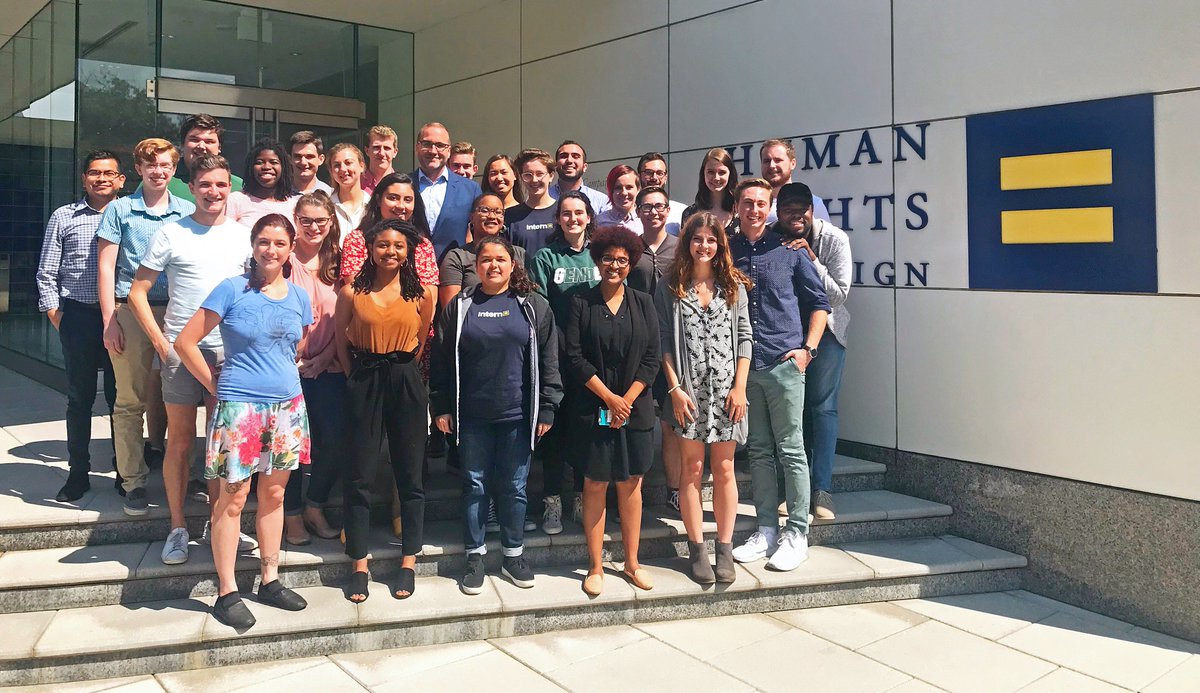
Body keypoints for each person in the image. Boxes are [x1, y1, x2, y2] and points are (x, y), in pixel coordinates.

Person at [174, 213, 312, 629]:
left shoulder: (299, 296)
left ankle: (270, 578)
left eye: (280, 243)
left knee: (274, 497)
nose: (271, 250)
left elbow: (298, 344)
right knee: (232, 499)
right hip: (241, 409)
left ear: (291, 249)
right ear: (253, 246)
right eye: (264, 242)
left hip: (286, 407)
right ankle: (227, 590)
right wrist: (213, 386)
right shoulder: (232, 289)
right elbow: (185, 341)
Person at [128, 154, 254, 566]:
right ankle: (178, 528)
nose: (213, 192)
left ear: (229, 188)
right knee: (179, 443)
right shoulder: (171, 232)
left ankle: (224, 525)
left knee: (223, 447)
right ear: (192, 187)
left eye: (221, 185)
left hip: (229, 354)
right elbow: (137, 292)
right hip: (182, 351)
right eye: (205, 185)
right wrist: (162, 345)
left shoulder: (242, 235)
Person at [431, 235, 562, 594]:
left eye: (500, 259)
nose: (493, 266)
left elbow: (549, 360)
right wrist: (441, 405)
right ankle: (474, 556)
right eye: (485, 259)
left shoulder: (533, 305)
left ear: (512, 264)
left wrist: (547, 406)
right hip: (471, 415)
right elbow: (441, 359)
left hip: (518, 415)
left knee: (515, 487)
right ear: (476, 266)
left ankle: (513, 555)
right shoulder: (459, 306)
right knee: (474, 486)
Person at [728, 179, 830, 572]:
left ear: (767, 207)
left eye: (760, 203)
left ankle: (797, 532)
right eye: (747, 203)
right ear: (736, 207)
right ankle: (766, 527)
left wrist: (808, 351)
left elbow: (819, 303)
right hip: (745, 367)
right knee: (758, 451)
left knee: (791, 449)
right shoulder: (728, 251)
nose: (754, 209)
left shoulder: (790, 251)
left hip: (784, 364)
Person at [336, 219, 436, 603]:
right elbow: (340, 341)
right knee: (359, 472)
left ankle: (408, 560)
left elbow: (421, 339)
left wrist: (403, 372)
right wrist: (354, 378)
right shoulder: (351, 292)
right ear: (370, 249)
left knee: (410, 472)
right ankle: (359, 563)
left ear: (408, 251)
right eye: (382, 245)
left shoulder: (422, 293)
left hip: (405, 380)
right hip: (365, 377)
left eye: (398, 246)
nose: (390, 252)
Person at [339, 172, 440, 538]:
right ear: (378, 199)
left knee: (408, 447)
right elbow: (353, 299)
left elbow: (426, 308)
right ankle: (357, 523)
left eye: (408, 199)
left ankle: (401, 510)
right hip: (366, 352)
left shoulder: (423, 245)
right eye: (393, 197)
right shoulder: (356, 240)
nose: (400, 205)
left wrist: (411, 360)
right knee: (363, 449)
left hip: (407, 354)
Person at [654, 212, 752, 584]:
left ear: (720, 244)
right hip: (689, 395)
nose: (704, 246)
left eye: (711, 240)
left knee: (724, 469)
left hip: (727, 394)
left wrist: (740, 387)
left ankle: (724, 548)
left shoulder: (733, 287)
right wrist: (675, 389)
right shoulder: (671, 287)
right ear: (687, 243)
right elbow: (664, 340)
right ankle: (697, 548)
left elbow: (745, 339)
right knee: (691, 471)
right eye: (698, 239)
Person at [97, 138, 193, 514]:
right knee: (129, 400)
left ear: (174, 169)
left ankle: (188, 473)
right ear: (138, 169)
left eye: (166, 165)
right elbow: (105, 267)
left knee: (186, 395)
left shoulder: (186, 211)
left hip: (177, 310)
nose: (159, 171)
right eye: (151, 165)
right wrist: (109, 320)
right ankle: (133, 480)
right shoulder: (120, 210)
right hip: (129, 310)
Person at [564, 225, 660, 596]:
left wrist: (628, 399)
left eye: (622, 260)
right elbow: (574, 356)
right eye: (608, 258)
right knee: (595, 483)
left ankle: (633, 563)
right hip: (594, 407)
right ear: (597, 259)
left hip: (634, 408)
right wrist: (609, 398)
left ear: (631, 263)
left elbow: (652, 357)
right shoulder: (580, 303)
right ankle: (595, 565)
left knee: (631, 482)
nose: (615, 265)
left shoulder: (643, 302)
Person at [35, 150, 122, 503]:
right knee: (79, 399)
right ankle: (78, 473)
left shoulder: (129, 213)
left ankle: (125, 472)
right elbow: (46, 272)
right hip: (79, 317)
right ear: (84, 178)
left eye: (108, 173)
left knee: (123, 401)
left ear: (120, 180)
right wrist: (58, 317)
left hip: (120, 317)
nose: (101, 179)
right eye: (94, 173)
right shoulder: (64, 216)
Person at [774, 183, 852, 521]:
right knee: (791, 412)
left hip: (828, 334)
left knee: (822, 409)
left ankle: (822, 490)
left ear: (812, 210)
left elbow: (838, 296)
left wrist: (811, 259)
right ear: (779, 212)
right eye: (788, 209)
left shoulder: (835, 239)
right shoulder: (771, 236)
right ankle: (794, 489)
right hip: (785, 334)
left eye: (802, 208)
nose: (796, 215)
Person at [528, 191, 601, 533]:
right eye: (566, 213)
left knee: (587, 427)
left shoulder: (600, 255)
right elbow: (539, 308)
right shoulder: (545, 257)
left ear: (589, 217)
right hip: (557, 356)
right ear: (558, 219)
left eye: (579, 213)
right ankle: (552, 499)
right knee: (554, 430)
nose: (573, 218)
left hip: (594, 357)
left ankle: (583, 497)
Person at [284, 193, 346, 544]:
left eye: (320, 220)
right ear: (295, 219)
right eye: (306, 220)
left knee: (334, 441)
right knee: (290, 446)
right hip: (286, 369)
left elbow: (348, 318)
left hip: (330, 366)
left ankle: (315, 505)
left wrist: (326, 358)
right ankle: (291, 514)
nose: (313, 227)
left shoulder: (339, 263)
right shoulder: (283, 260)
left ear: (331, 222)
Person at [626, 186, 682, 516]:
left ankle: (674, 490)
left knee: (670, 423)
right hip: (636, 343)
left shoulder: (681, 248)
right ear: (638, 211)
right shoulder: (630, 248)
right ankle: (633, 487)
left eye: (660, 206)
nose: (654, 212)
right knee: (636, 416)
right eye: (647, 207)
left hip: (673, 342)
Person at [439, 193, 526, 307]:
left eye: (498, 212)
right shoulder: (457, 257)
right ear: (472, 217)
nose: (492, 216)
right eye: (485, 210)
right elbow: (452, 309)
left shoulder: (519, 253)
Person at [412, 121, 482, 258]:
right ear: (417, 147)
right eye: (427, 144)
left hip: (455, 273)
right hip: (409, 270)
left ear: (449, 151)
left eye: (440, 145)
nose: (433, 151)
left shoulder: (470, 189)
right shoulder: (403, 185)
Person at [160, 114, 244, 202]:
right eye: (195, 140)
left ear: (219, 148)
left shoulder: (238, 187)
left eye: (209, 141)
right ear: (182, 144)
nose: (201, 146)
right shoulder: (161, 182)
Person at [226, 139, 298, 229]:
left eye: (273, 162)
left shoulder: (294, 206)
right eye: (259, 162)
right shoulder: (235, 200)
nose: (266, 167)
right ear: (251, 167)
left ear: (283, 167)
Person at [759, 138, 831, 224]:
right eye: (767, 161)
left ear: (792, 163)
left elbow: (825, 236)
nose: (771, 165)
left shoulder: (813, 203)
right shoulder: (752, 206)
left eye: (778, 160)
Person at [504, 148, 559, 259]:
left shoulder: (563, 212)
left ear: (551, 176)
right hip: (522, 276)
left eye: (540, 174)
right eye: (528, 175)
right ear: (521, 178)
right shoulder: (511, 215)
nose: (534, 180)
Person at [681, 147, 738, 229]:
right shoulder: (690, 214)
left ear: (730, 174)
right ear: (703, 174)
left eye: (722, 172)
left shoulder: (740, 211)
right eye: (711, 172)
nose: (716, 178)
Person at [549, 140, 609, 213]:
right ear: (555, 165)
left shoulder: (601, 202)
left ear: (585, 167)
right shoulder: (543, 198)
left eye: (575, 156)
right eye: (564, 156)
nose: (569, 160)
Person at [635, 153, 687, 236]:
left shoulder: (681, 212)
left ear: (666, 177)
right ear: (639, 177)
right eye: (648, 172)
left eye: (659, 173)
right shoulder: (629, 214)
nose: (654, 178)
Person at [327, 143, 368, 242]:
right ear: (331, 171)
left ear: (361, 166)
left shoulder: (374, 207)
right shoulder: (326, 207)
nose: (343, 169)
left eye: (348, 163)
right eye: (337, 165)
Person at [595, 165, 641, 234]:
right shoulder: (599, 222)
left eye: (629, 187)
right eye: (618, 188)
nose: (624, 193)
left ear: (638, 189)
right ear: (611, 190)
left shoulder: (646, 220)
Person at [290, 131, 332, 195]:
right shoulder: (276, 194)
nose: (303, 162)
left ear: (321, 159)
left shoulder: (331, 195)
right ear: (290, 159)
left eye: (309, 157)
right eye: (298, 156)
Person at [361, 124, 398, 195]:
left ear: (395, 152)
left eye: (387, 148)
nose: (381, 153)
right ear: (367, 151)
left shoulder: (403, 185)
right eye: (376, 147)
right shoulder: (356, 183)